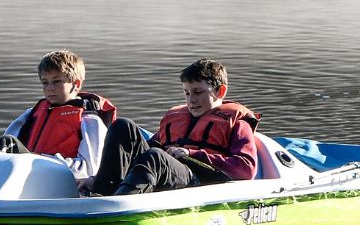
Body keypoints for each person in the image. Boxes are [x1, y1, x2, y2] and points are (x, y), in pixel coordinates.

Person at [102, 59, 283, 195]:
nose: (191, 100)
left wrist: (192, 154)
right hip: (169, 170)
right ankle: (100, 191)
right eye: (187, 93)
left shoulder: (237, 122)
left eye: (198, 92)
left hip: (201, 178)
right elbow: (145, 150)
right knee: (123, 125)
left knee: (155, 157)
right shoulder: (177, 118)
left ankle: (121, 202)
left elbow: (246, 168)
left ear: (220, 91)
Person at [0, 50, 119, 188]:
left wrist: (38, 160)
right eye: (45, 82)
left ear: (76, 84)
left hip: (59, 186)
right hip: (22, 179)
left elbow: (88, 170)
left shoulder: (90, 121)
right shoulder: (31, 115)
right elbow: (3, 149)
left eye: (56, 81)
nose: (49, 88)